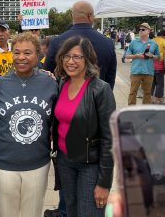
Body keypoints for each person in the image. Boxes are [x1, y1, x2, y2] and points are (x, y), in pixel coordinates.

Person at [0, 32, 58, 217]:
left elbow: (56, 120)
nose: (21, 57)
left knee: (33, 213)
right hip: (4, 164)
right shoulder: (0, 84)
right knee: (7, 213)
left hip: (37, 163)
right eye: (16, 52)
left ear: (38, 55)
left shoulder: (50, 82)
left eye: (27, 53)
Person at [53, 36, 116, 216]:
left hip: (90, 164)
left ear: (88, 59)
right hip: (65, 161)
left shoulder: (100, 89)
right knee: (70, 210)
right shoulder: (61, 83)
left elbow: (109, 139)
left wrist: (104, 183)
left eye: (77, 57)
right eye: (66, 56)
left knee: (89, 212)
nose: (70, 61)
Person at [44, 0, 117, 89]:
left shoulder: (56, 41)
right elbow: (110, 78)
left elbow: (47, 74)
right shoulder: (107, 43)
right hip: (97, 98)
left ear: (72, 16)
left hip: (64, 98)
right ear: (90, 16)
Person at [125, 23, 160, 105]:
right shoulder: (133, 42)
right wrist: (136, 55)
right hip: (136, 71)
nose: (140, 31)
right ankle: (131, 111)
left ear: (148, 31)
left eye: (143, 29)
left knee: (147, 93)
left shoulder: (154, 44)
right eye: (139, 29)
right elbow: (127, 56)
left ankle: (145, 111)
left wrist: (152, 56)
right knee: (133, 92)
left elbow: (158, 57)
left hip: (148, 71)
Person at [151, 29, 165, 104]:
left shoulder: (151, 41)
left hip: (150, 65)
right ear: (164, 36)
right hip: (160, 65)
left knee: (152, 83)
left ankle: (151, 99)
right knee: (160, 83)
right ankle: (158, 99)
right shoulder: (164, 42)